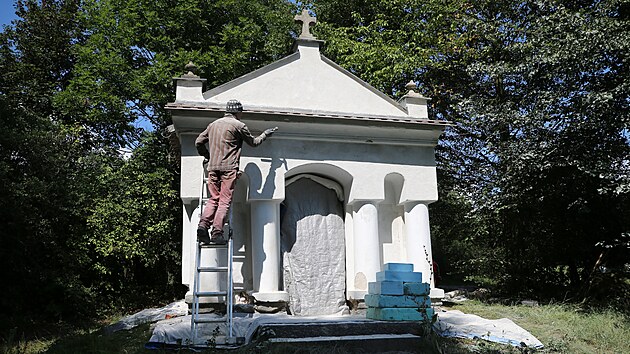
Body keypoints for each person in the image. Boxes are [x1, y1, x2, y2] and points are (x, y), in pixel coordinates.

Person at [195, 99, 277, 244]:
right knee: (224, 201)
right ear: (237, 112)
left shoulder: (213, 125)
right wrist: (265, 134)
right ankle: (216, 233)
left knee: (214, 199)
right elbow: (254, 143)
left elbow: (198, 142)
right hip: (229, 169)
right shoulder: (239, 125)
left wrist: (208, 156)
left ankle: (203, 225)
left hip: (213, 168)